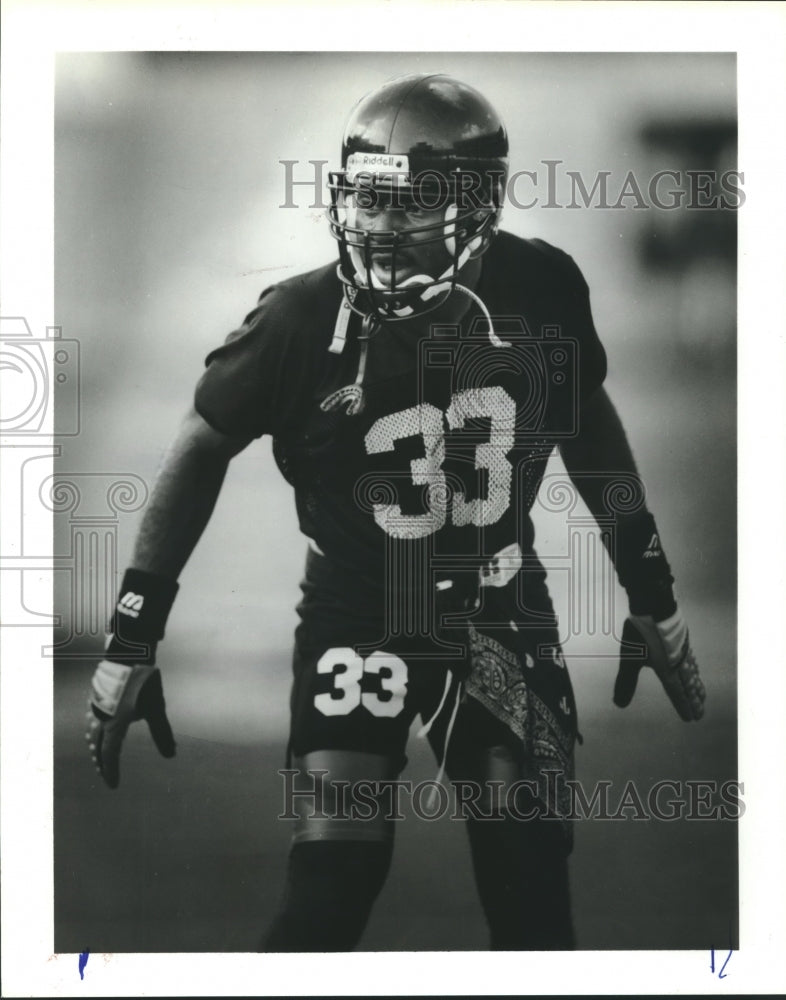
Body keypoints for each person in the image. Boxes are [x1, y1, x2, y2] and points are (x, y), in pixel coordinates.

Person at [86, 73, 706, 951]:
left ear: (480, 205)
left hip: (495, 609)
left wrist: (652, 590)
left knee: (528, 882)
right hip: (357, 610)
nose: (381, 227)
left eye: (413, 203)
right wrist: (131, 636)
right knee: (331, 883)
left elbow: (588, 430)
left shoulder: (540, 287)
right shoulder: (299, 316)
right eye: (368, 199)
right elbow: (200, 444)